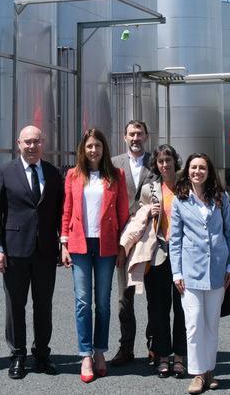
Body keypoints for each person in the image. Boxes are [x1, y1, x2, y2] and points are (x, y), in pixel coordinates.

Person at [0, 125, 66, 379]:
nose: (32, 147)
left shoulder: (53, 173)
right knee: (16, 306)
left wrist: (63, 244)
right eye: (27, 142)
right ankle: (18, 355)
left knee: (43, 305)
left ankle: (42, 354)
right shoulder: (5, 171)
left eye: (36, 142)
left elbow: (60, 212)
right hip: (14, 251)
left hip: (45, 250)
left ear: (43, 143)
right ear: (18, 143)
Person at [61, 128, 130, 382]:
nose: (93, 150)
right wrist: (64, 243)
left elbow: (123, 214)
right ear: (83, 149)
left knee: (102, 302)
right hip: (79, 244)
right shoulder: (73, 175)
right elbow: (66, 211)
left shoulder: (116, 175)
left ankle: (100, 351)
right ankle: (85, 355)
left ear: (104, 149)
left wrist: (123, 246)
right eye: (89, 146)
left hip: (106, 246)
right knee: (82, 302)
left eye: (97, 146)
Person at [169, 153, 230, 395]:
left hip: (218, 269)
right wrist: (176, 272)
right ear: (187, 171)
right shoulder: (180, 200)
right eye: (194, 167)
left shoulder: (221, 197)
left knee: (211, 324)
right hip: (190, 271)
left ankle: (210, 370)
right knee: (194, 323)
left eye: (202, 168)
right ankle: (197, 373)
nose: (197, 171)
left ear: (209, 171)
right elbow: (174, 239)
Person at [132, 144, 188, 379]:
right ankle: (162, 354)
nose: (165, 164)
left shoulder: (187, 187)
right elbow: (137, 219)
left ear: (176, 161)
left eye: (168, 160)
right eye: (160, 161)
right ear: (155, 165)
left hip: (185, 255)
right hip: (158, 255)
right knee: (159, 307)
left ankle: (181, 356)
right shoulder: (149, 189)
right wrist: (148, 212)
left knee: (183, 307)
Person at [109, 119, 157, 367]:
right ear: (124, 137)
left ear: (146, 136)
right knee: (124, 297)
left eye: (140, 133)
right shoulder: (114, 163)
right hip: (124, 240)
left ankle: (154, 346)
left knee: (153, 295)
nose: (136, 138)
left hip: (151, 239)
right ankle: (126, 347)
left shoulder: (156, 162)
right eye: (131, 134)